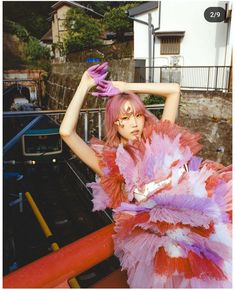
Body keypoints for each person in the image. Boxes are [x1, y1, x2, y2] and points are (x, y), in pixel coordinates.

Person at [60, 63, 232, 288]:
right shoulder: (112, 164)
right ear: (114, 123)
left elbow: (174, 90)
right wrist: (84, 85)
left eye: (137, 116)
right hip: (167, 247)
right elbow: (66, 132)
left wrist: (126, 86)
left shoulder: (159, 137)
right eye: (124, 118)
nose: (133, 123)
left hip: (204, 227)